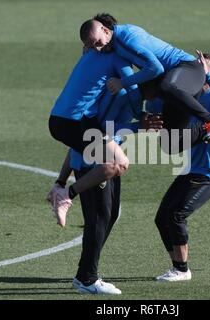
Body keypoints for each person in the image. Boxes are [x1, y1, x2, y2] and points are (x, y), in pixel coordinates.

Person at [49, 90, 162, 295]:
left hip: (101, 156)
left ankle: (85, 273)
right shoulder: (121, 95)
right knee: (99, 217)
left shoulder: (129, 96)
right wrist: (139, 127)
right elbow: (101, 130)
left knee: (110, 215)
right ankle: (87, 278)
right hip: (94, 161)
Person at [148, 54, 210, 281]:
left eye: (202, 71)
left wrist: (207, 79)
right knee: (162, 218)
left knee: (176, 214)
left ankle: (182, 270)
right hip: (192, 171)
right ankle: (177, 266)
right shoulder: (186, 99)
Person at [79, 13, 210, 151]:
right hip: (178, 83)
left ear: (106, 31)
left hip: (188, 70)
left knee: (165, 87)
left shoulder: (125, 39)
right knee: (171, 143)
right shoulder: (115, 40)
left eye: (98, 43)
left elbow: (155, 69)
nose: (98, 49)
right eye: (93, 46)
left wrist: (123, 82)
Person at [48, 47, 142, 227]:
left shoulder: (93, 63)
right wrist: (141, 121)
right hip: (88, 156)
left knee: (108, 217)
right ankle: (66, 194)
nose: (88, 48)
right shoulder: (116, 82)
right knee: (118, 165)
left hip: (71, 127)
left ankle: (60, 188)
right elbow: (107, 127)